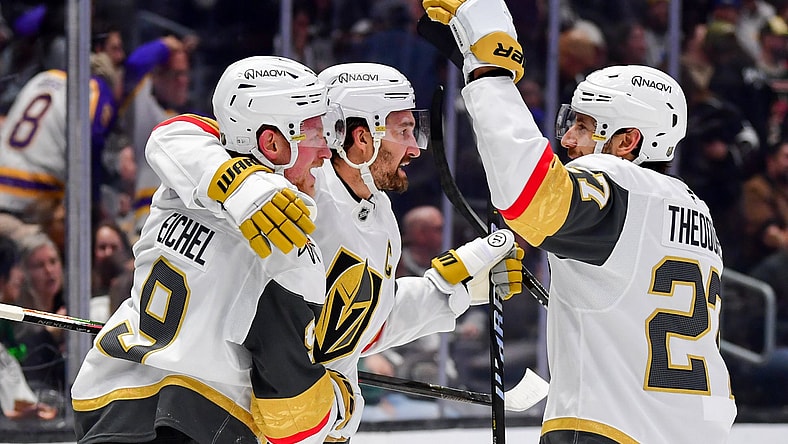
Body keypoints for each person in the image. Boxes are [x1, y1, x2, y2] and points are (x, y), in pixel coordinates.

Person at [142, 60, 525, 441]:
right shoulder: (293, 191)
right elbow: (181, 136)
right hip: (235, 414)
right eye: (404, 131)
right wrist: (240, 185)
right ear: (363, 137)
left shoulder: (378, 215)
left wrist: (448, 289)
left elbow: (354, 328)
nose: (414, 148)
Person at [419, 0, 736, 442]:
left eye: (584, 126)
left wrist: (489, 75)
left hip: (612, 429)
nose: (567, 139)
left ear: (627, 141)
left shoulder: (616, 180)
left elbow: (530, 197)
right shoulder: (694, 209)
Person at [71, 56, 355, 444]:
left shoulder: (180, 189)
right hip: (203, 424)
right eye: (315, 135)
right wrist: (338, 404)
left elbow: (177, 134)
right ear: (272, 142)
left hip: (108, 404)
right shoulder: (287, 251)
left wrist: (240, 184)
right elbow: (291, 419)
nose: (325, 153)